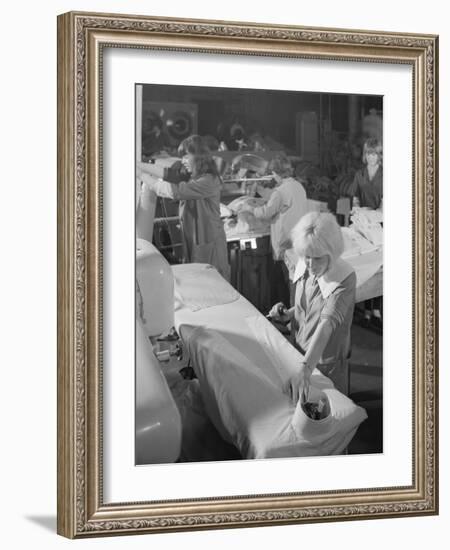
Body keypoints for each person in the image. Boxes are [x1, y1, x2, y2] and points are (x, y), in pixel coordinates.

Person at [268, 212, 356, 399]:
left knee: (330, 411)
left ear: (332, 254)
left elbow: (326, 325)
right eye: (307, 256)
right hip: (299, 352)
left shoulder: (344, 278)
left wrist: (306, 370)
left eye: (317, 258)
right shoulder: (305, 264)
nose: (310, 264)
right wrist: (289, 314)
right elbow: (307, 306)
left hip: (325, 360)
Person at [139, 135, 230, 281]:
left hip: (209, 244)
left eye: (186, 156)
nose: (183, 161)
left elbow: (172, 191)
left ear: (198, 156)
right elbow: (167, 174)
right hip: (195, 241)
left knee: (211, 284)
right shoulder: (191, 176)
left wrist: (140, 174)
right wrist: (139, 164)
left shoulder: (208, 181)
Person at [239, 154, 309, 304]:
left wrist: (248, 208)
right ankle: (291, 314)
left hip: (283, 242)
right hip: (297, 241)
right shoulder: (298, 186)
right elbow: (278, 200)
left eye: (272, 173)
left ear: (275, 173)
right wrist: (259, 188)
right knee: (293, 281)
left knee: (281, 282)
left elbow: (265, 213)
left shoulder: (280, 192)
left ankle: (284, 316)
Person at [350, 138, 383, 327]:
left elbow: (383, 207)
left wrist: (372, 214)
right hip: (362, 223)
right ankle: (366, 309)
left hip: (379, 224)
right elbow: (355, 197)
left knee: (379, 266)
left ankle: (376, 309)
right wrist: (356, 208)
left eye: (375, 153)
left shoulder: (386, 174)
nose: (371, 157)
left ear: (379, 155)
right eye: (369, 153)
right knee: (363, 263)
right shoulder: (359, 174)